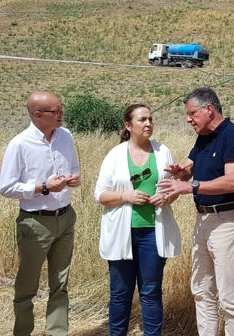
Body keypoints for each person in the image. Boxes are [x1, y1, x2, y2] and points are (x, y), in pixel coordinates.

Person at [157, 87, 234, 336]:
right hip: (204, 220)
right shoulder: (204, 136)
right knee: (201, 289)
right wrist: (181, 172)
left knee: (229, 296)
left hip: (228, 221)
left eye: (191, 114)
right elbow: (191, 166)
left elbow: (233, 181)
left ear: (208, 109)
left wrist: (190, 186)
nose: (188, 119)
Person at [94, 104, 182, 336]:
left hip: (154, 232)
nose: (148, 124)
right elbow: (100, 195)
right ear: (128, 125)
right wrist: (125, 196)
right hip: (123, 233)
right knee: (120, 293)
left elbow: (172, 189)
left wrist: (167, 197)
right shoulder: (115, 155)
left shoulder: (163, 152)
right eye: (142, 119)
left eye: (151, 119)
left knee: (151, 292)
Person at [0, 92, 80, 336]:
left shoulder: (65, 136)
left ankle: (57, 332)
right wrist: (43, 187)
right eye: (56, 111)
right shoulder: (19, 144)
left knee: (61, 283)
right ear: (37, 115)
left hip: (65, 218)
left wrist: (73, 178)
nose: (61, 115)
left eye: (61, 109)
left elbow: (74, 166)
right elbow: (6, 187)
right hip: (35, 222)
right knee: (27, 286)